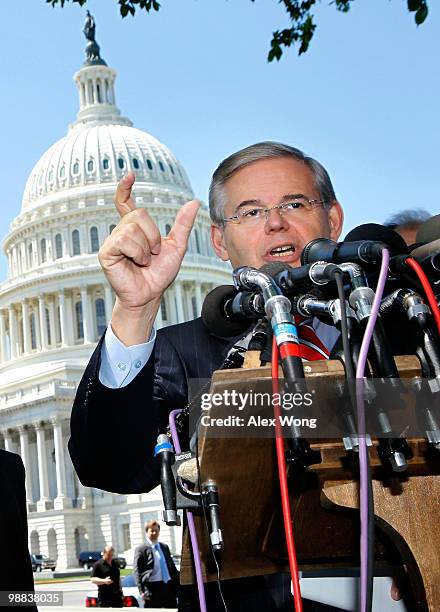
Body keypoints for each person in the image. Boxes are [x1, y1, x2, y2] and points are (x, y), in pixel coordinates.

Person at [69, 142, 358, 611]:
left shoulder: (397, 327)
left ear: (334, 219)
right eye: (249, 212)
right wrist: (134, 310)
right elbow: (111, 467)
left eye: (294, 203)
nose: (276, 222)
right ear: (219, 242)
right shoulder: (183, 353)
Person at [133, 520, 179, 608]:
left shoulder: (164, 547)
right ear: (147, 532)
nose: (154, 533)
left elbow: (172, 567)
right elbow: (137, 571)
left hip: (168, 587)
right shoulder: (141, 549)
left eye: (156, 530)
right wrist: (142, 591)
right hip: (152, 589)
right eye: (152, 531)